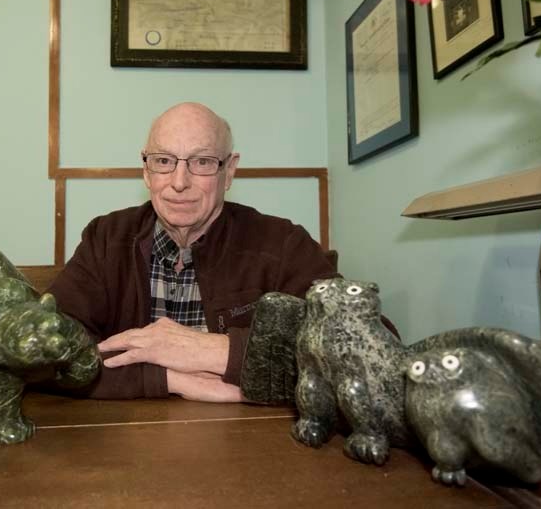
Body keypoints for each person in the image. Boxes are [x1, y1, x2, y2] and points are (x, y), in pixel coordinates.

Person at [47, 102, 340, 402]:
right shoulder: (106, 239)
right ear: (146, 171)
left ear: (229, 171)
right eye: (163, 161)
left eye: (202, 162)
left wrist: (214, 351)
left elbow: (358, 352)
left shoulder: (283, 244)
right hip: (129, 437)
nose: (179, 182)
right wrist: (170, 380)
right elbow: (45, 352)